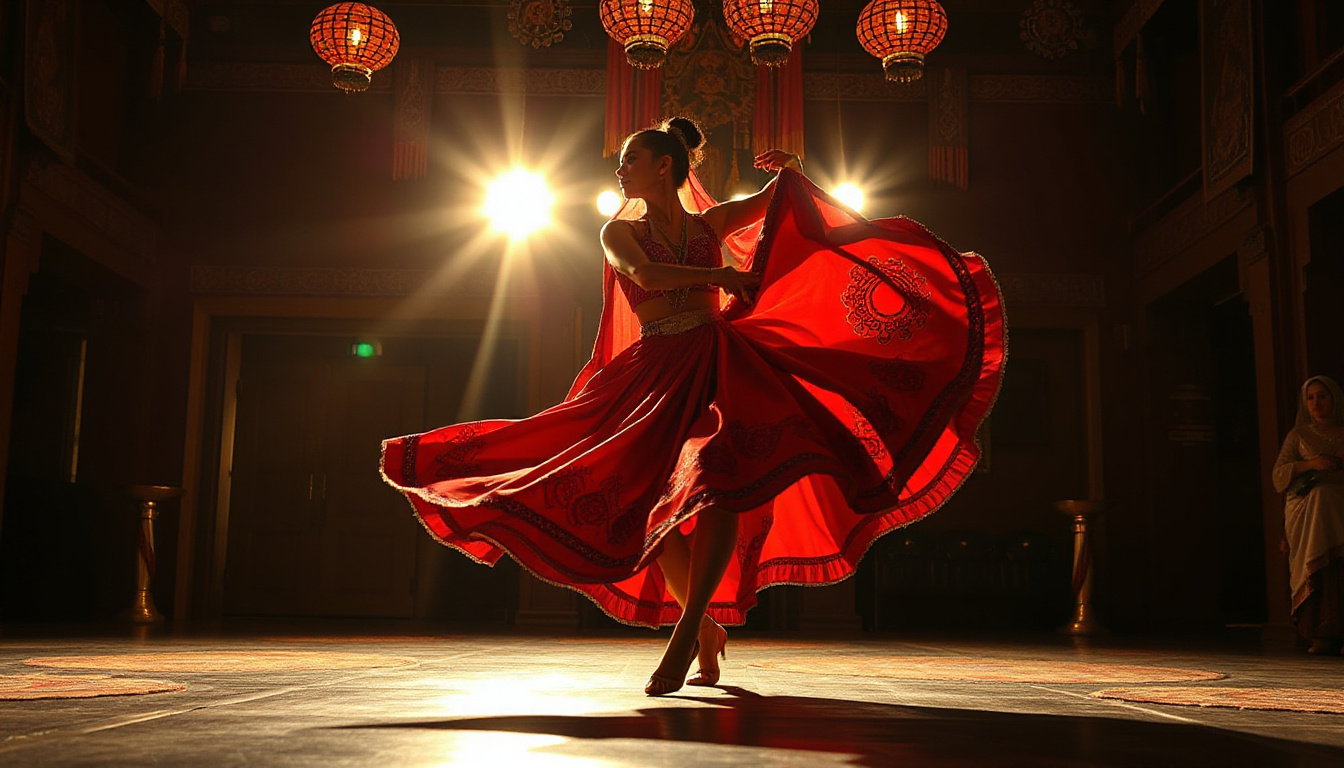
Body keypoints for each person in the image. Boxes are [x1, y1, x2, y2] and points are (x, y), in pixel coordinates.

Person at [381, 116, 1005, 694]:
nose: (620, 168)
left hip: (720, 360)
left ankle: (685, 634)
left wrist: (792, 169)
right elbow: (646, 276)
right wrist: (724, 279)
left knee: (723, 481)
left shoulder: (711, 226)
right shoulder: (619, 231)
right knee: (641, 504)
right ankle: (704, 627)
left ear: (664, 167)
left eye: (631, 159)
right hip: (654, 368)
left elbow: (780, 202)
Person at [1273, 375, 1344, 654]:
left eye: (1322, 396)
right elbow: (1279, 476)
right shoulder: (1299, 436)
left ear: (1335, 398)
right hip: (1307, 517)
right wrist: (1312, 464)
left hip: (1339, 515)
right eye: (1310, 397)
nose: (1316, 403)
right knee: (1316, 568)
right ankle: (1319, 633)